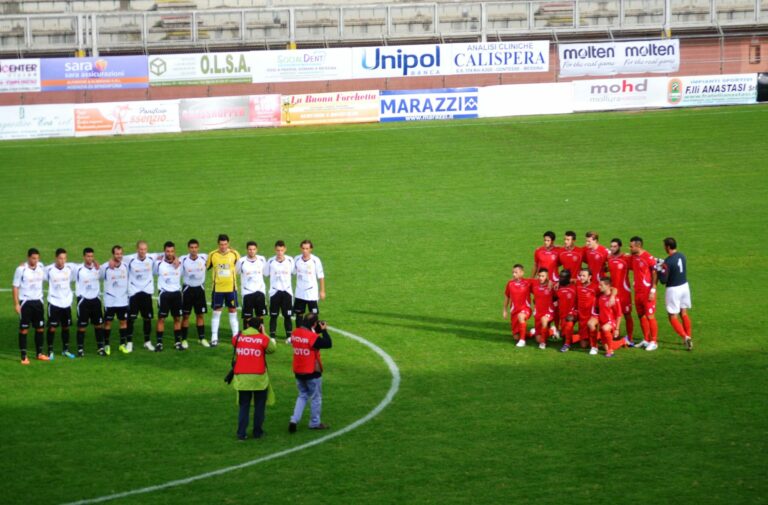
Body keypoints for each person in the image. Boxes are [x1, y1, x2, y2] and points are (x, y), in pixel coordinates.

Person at [231, 320, 276, 441]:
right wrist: (264, 333)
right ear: (260, 327)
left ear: (247, 325)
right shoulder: (262, 339)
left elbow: (233, 341)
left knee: (244, 407)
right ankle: (257, 432)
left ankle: (241, 433)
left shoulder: (238, 337)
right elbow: (272, 349)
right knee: (259, 407)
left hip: (242, 379)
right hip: (259, 379)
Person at [288, 313, 332, 432]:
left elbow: (299, 339)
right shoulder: (311, 337)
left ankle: (294, 419)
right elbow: (328, 343)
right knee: (316, 398)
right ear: (314, 323)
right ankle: (314, 423)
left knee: (302, 395)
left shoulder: (295, 332)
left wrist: (315, 330)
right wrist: (324, 330)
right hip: (311, 371)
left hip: (298, 371)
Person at [124, 240, 162, 353]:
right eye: (141, 249)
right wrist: (111, 261)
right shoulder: (130, 259)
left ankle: (147, 342)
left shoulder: (151, 257)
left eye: (145, 249)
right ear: (137, 249)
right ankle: (129, 343)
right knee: (131, 319)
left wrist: (174, 259)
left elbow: (165, 253)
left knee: (147, 318)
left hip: (146, 292)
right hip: (134, 292)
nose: (143, 251)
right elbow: (118, 258)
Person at [12, 248, 47, 364]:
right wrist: (17, 304)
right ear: (28, 258)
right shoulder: (21, 269)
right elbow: (15, 287)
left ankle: (39, 353)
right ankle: (23, 356)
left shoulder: (41, 266)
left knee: (40, 328)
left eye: (37, 258)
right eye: (33, 258)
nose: (35, 260)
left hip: (38, 302)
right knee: (24, 330)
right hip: (26, 302)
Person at [658, 237, 693, 351]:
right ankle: (689, 336)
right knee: (684, 313)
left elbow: (663, 280)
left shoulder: (668, 261)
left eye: (664, 246)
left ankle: (685, 337)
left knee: (672, 316)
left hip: (673, 290)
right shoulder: (682, 256)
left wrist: (659, 270)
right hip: (684, 286)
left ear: (668, 247)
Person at [206, 234, 241, 347]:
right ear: (218, 244)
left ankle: (235, 337)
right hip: (218, 289)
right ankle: (214, 337)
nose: (223, 246)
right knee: (216, 312)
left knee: (233, 311)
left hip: (231, 288)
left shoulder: (234, 254)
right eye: (221, 244)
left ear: (228, 243)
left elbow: (239, 268)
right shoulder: (212, 255)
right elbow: (205, 267)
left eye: (225, 244)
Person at [44, 248, 77, 359]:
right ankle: (50, 351)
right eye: (60, 258)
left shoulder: (70, 267)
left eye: (64, 258)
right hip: (54, 302)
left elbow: (84, 265)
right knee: (52, 328)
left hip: (66, 303)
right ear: (56, 258)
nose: (62, 260)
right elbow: (36, 270)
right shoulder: (49, 269)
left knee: (66, 327)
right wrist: (24, 264)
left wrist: (96, 264)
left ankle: (65, 350)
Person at [629, 236, 659, 351]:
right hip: (638, 292)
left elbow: (655, 274)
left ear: (638, 246)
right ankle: (646, 339)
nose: (630, 248)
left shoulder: (648, 257)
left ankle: (654, 341)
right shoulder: (634, 257)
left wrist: (653, 289)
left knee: (650, 316)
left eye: (631, 246)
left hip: (647, 292)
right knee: (641, 315)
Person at [100, 245, 130, 356]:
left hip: (122, 300)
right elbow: (96, 272)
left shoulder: (126, 266)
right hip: (110, 301)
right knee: (108, 323)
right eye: (117, 254)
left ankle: (122, 344)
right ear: (113, 254)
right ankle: (106, 345)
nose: (119, 256)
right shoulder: (105, 267)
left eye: (120, 253)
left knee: (123, 322)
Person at [74, 247, 104, 357]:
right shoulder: (78, 269)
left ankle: (100, 348)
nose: (90, 258)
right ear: (84, 257)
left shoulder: (97, 268)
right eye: (88, 256)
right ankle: (80, 350)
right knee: (82, 326)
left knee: (98, 325)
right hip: (83, 301)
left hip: (95, 300)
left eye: (91, 256)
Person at [154, 241, 184, 351]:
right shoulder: (158, 263)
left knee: (177, 318)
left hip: (176, 294)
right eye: (167, 251)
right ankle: (159, 343)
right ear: (164, 251)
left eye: (172, 251)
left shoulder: (180, 262)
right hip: (164, 294)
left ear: (174, 251)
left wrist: (176, 258)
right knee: (161, 318)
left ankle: (177, 342)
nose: (170, 253)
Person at [179, 239, 209, 347]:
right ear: (188, 248)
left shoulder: (204, 257)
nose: (194, 250)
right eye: (191, 247)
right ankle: (184, 339)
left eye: (195, 247)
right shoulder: (183, 259)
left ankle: (201, 338)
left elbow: (217, 255)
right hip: (187, 290)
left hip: (199, 290)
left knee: (200, 315)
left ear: (198, 248)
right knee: (186, 315)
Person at [265, 240, 295, 342]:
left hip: (287, 292)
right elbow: (266, 274)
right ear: (275, 250)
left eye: (281, 250)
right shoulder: (270, 261)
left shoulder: (290, 260)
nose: (279, 253)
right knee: (273, 315)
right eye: (278, 250)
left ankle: (289, 337)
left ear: (285, 249)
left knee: (288, 315)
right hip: (274, 292)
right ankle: (272, 336)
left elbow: (293, 272)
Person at [607, 238, 635, 346]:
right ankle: (614, 336)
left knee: (627, 314)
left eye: (615, 246)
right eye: (611, 246)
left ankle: (630, 338)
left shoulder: (626, 258)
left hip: (624, 291)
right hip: (613, 292)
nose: (612, 248)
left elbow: (637, 267)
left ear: (619, 247)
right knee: (613, 315)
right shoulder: (609, 257)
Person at [293, 239, 326, 329]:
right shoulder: (296, 259)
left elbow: (321, 276)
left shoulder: (315, 260)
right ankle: (299, 333)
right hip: (299, 292)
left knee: (314, 314)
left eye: (307, 248)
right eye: (303, 248)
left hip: (311, 292)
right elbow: (292, 272)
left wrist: (322, 291)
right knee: (299, 314)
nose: (305, 251)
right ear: (301, 249)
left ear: (311, 249)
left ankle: (313, 333)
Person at [236, 241, 267, 331]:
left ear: (256, 250)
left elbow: (264, 272)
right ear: (247, 250)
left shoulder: (261, 259)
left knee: (260, 315)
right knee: (247, 316)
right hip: (247, 292)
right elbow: (237, 272)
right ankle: (246, 334)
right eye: (250, 249)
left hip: (260, 291)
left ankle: (260, 334)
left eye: (253, 249)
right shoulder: (241, 261)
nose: (252, 251)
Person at [502, 264, 533, 347]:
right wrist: (504, 310)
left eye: (516, 272)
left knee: (521, 316)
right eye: (513, 272)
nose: (513, 274)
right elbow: (507, 297)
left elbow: (541, 285)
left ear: (522, 273)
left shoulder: (528, 282)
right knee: (516, 337)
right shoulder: (510, 283)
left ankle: (522, 341)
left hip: (525, 309)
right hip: (514, 311)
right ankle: (532, 333)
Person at [575, 268, 601, 355]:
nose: (581, 277)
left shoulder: (596, 287)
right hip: (582, 317)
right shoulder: (578, 284)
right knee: (583, 345)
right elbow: (570, 280)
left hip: (592, 315)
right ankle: (598, 336)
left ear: (589, 277)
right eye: (580, 275)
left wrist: (612, 296)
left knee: (605, 347)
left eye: (583, 276)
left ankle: (595, 346)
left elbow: (612, 289)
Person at [596, 277, 623, 358]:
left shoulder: (614, 299)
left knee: (605, 329)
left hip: (611, 322)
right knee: (605, 346)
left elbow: (619, 314)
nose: (599, 287)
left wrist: (617, 329)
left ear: (608, 286)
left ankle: (610, 351)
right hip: (603, 323)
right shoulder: (600, 297)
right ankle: (623, 342)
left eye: (601, 285)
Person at [531, 268, 555, 350]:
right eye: (539, 276)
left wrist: (552, 282)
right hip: (538, 312)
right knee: (537, 339)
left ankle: (543, 343)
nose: (541, 278)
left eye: (543, 276)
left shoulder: (552, 285)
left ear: (547, 276)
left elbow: (563, 283)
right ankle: (551, 331)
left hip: (548, 312)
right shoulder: (534, 283)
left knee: (544, 320)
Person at [555, 269, 578, 352]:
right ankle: (577, 336)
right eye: (560, 277)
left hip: (574, 313)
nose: (560, 279)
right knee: (563, 336)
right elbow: (554, 299)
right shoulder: (557, 287)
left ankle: (567, 344)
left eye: (563, 277)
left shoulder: (575, 286)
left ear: (569, 279)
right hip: (563, 316)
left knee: (569, 319)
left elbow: (583, 279)